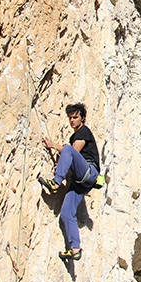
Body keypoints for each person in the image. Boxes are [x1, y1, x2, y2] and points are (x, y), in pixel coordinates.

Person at [40, 103, 100, 261]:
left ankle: (56, 182)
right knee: (66, 213)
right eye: (70, 118)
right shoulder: (76, 134)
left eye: (75, 117)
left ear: (82, 118)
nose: (72, 120)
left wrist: (53, 146)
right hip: (80, 182)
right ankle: (75, 249)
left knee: (67, 149)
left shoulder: (84, 132)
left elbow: (74, 150)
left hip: (89, 171)